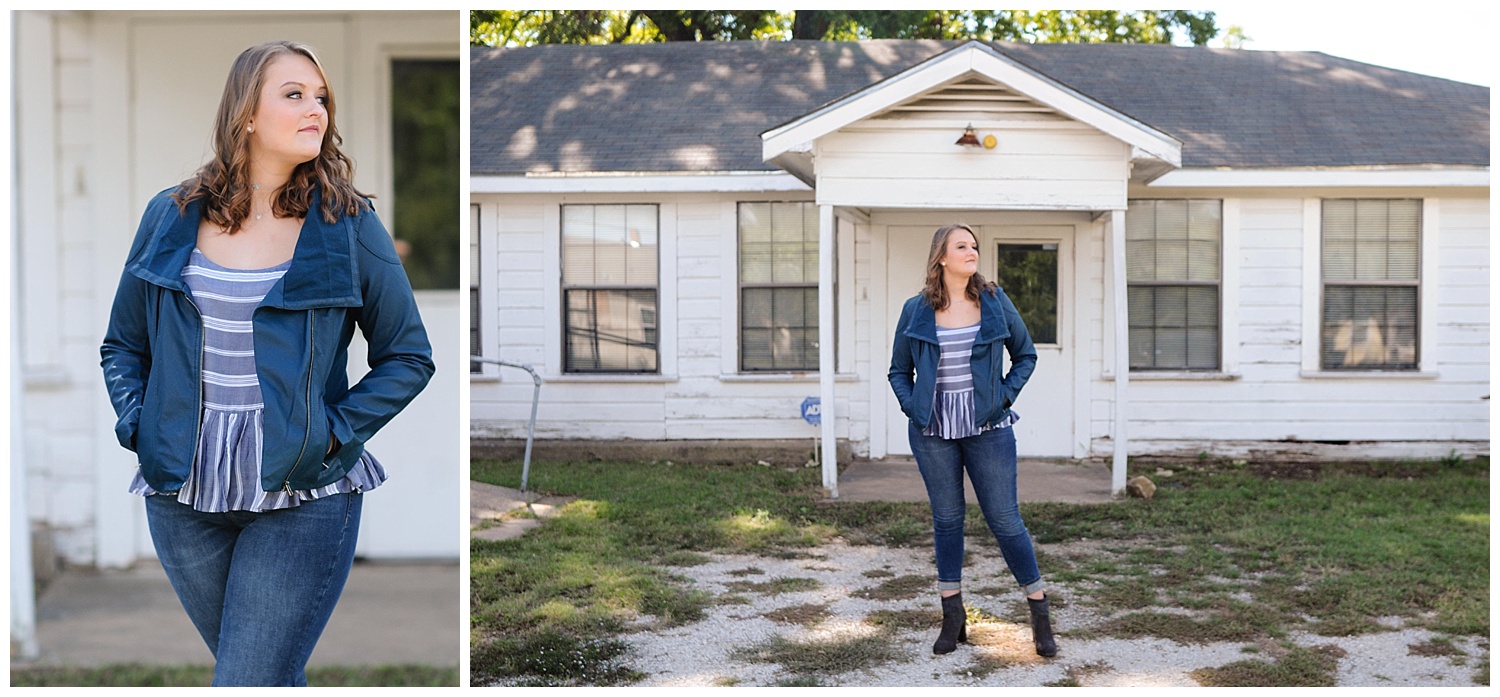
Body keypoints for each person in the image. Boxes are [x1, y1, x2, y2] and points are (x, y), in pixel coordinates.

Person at [99, 40, 435, 686]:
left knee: (247, 679)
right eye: (294, 94)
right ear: (246, 115)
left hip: (301, 494)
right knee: (265, 676)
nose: (316, 109)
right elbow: (124, 344)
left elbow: (408, 357)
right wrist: (140, 426)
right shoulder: (169, 217)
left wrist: (332, 432)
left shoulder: (347, 224)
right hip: (182, 494)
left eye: (322, 98)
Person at [887, 223, 1055, 657]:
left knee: (1004, 521)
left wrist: (1002, 398)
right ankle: (953, 616)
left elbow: (1026, 355)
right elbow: (898, 371)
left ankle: (1039, 613)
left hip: (989, 429)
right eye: (962, 245)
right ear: (941, 257)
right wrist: (914, 408)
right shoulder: (915, 310)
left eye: (975, 245)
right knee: (946, 521)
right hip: (933, 432)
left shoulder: (994, 301)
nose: (972, 251)